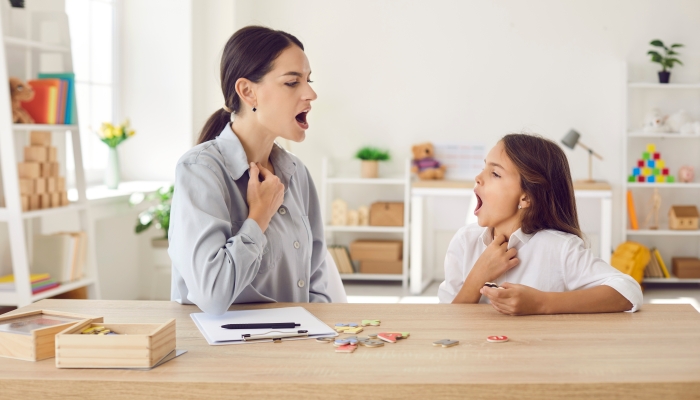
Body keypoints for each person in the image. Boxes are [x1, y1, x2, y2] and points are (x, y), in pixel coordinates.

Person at [169, 26, 330, 315]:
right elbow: (212, 295)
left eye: (309, 80)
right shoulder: (200, 171)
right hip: (226, 355)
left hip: (298, 347)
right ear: (247, 91)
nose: (311, 93)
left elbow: (316, 279)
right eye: (292, 82)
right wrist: (258, 217)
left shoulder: (296, 173)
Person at [438, 134, 642, 314]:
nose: (478, 177)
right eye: (484, 168)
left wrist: (541, 303)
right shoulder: (465, 241)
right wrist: (477, 277)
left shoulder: (560, 248)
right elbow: (447, 320)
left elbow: (628, 290)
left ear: (526, 197)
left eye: (495, 174)